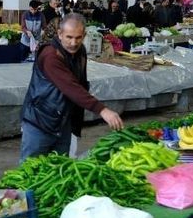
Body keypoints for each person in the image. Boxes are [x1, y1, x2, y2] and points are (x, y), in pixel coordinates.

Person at [19, 14, 124, 162]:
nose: (73, 43)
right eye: (69, 37)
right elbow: (71, 87)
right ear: (60, 34)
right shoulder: (50, 55)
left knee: (59, 169)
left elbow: (81, 83)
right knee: (29, 172)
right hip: (40, 121)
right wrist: (102, 110)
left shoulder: (80, 52)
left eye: (78, 37)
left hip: (63, 122)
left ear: (84, 35)